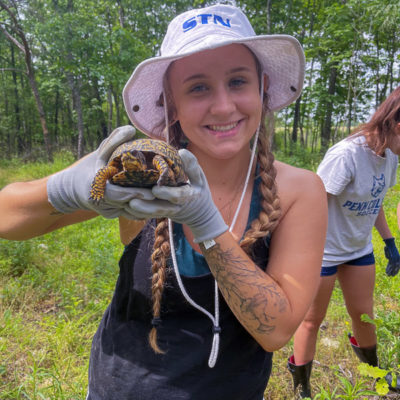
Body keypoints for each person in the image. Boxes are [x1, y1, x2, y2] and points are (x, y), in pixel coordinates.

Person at [0, 4, 328, 399]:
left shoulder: (300, 190)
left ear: (262, 86)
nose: (223, 106)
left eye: (238, 81)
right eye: (198, 87)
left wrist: (206, 222)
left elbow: (276, 330)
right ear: (170, 103)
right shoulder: (143, 174)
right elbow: (6, 217)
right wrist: (65, 188)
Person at [287, 86, 400, 398]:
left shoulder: (390, 156)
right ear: (398, 127)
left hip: (359, 249)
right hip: (324, 253)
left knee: (364, 316)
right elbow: (311, 205)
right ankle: (302, 388)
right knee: (312, 320)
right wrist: (301, 253)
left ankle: (378, 377)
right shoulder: (346, 156)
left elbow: (376, 203)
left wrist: (388, 241)